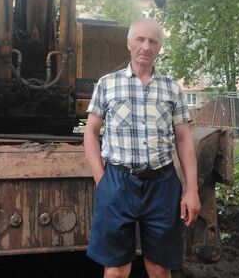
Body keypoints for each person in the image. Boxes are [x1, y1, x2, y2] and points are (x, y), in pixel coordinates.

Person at [84, 17, 200, 278]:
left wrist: (192, 190)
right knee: (116, 270)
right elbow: (90, 132)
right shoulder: (107, 84)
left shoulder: (172, 89)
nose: (146, 46)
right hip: (118, 182)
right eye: (140, 39)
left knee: (159, 269)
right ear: (129, 43)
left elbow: (184, 139)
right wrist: (102, 180)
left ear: (159, 47)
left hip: (162, 185)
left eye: (153, 41)